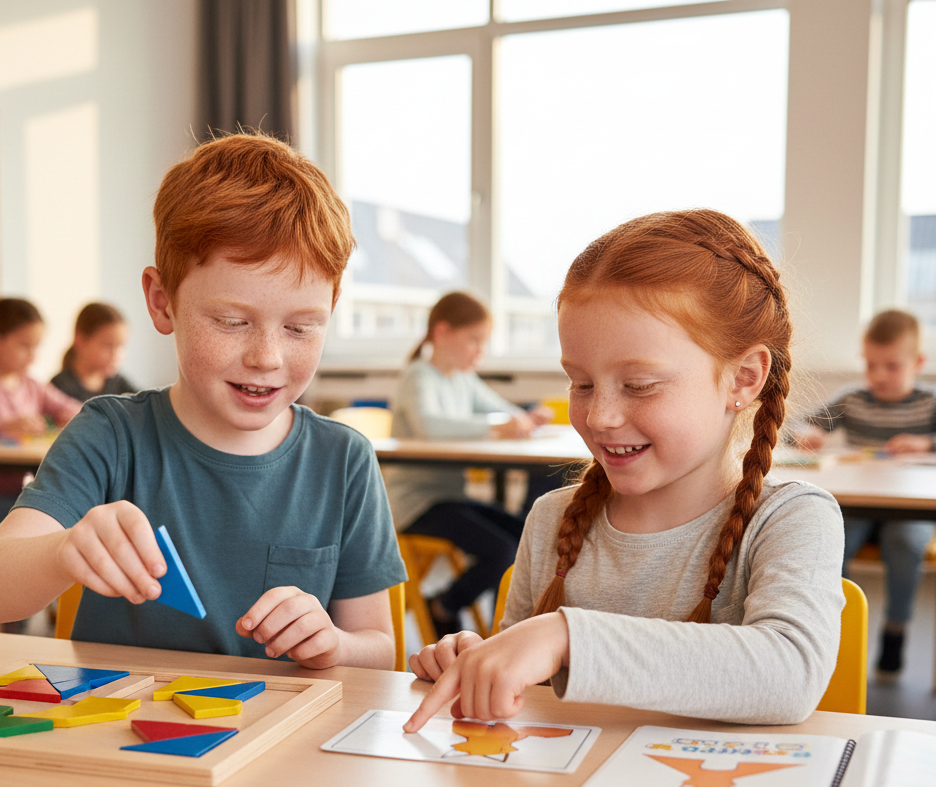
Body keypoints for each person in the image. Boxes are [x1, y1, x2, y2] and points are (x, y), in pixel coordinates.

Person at [0, 132, 405, 670]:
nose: (267, 357)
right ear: (161, 301)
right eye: (231, 322)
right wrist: (62, 552)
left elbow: (380, 652)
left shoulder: (344, 460)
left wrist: (335, 645)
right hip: (127, 738)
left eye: (301, 327)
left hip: (282, 739)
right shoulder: (110, 435)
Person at [403, 209, 845, 733]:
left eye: (638, 385)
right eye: (581, 384)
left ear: (743, 379)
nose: (598, 417)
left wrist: (566, 637)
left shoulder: (793, 519)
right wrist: (483, 664)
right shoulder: (552, 519)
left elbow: (788, 675)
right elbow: (528, 695)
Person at [387, 291, 552, 636]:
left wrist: (524, 418)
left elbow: (499, 408)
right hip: (417, 504)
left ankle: (503, 630)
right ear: (443, 332)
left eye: (484, 342)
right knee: (503, 550)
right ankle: (445, 604)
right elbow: (430, 426)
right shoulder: (419, 376)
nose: (480, 350)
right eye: (473, 340)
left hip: (450, 499)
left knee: (525, 536)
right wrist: (498, 427)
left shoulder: (462, 379)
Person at [796, 309, 934, 674]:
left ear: (918, 363)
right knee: (831, 539)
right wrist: (807, 435)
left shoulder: (929, 403)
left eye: (891, 366)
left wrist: (925, 443)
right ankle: (838, 629)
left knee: (905, 542)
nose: (878, 376)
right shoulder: (853, 399)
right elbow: (797, 422)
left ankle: (895, 630)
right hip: (857, 506)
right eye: (871, 365)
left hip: (908, 510)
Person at [0, 298, 81, 528]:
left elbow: (76, 408)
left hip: (22, 496)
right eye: (24, 345)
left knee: (71, 512)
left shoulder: (31, 385)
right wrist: (7, 424)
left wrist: (66, 416)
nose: (32, 356)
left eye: (35, 347)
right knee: (55, 522)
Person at [50, 302, 137, 403]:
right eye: (108, 345)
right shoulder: (60, 386)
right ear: (80, 341)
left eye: (121, 346)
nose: (116, 354)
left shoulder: (117, 382)